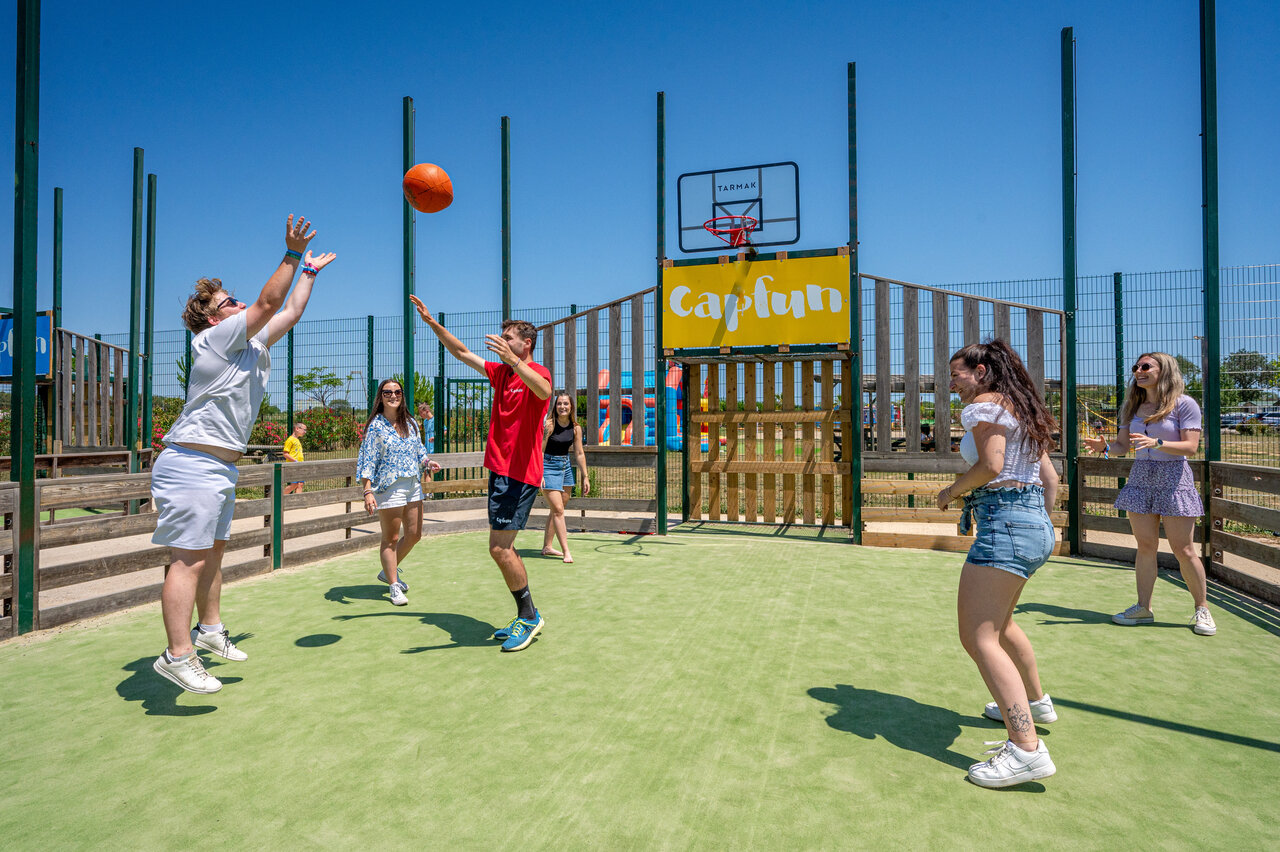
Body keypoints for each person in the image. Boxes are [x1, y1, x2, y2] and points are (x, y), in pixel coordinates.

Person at [150, 215, 335, 694]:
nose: (239, 305)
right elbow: (270, 300)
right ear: (214, 319)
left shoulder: (249, 345)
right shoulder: (211, 340)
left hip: (218, 466)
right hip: (191, 463)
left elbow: (288, 312)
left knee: (212, 553)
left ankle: (208, 629)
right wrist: (291, 254)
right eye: (228, 302)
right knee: (187, 560)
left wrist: (308, 273)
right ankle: (177, 655)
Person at [936, 339, 1060, 788]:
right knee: (1003, 625)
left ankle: (1026, 750)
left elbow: (991, 465)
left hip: (1005, 523)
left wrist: (951, 492)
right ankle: (1036, 701)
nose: (951, 383)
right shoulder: (1020, 410)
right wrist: (1037, 527)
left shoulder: (982, 408)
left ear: (982, 371)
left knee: (979, 637)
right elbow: (1050, 479)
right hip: (1032, 525)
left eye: (957, 374)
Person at [409, 294, 551, 652]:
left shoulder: (535, 372)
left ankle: (530, 617)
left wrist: (515, 364)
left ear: (526, 343)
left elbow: (545, 390)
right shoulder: (501, 371)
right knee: (501, 548)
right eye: (501, 338)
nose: (502, 342)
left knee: (500, 549)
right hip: (500, 472)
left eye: (509, 338)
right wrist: (431, 323)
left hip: (520, 473)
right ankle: (525, 615)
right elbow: (461, 352)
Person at [1082, 352, 1214, 636]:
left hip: (1174, 478)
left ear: (1164, 370)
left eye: (1145, 366)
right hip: (1141, 477)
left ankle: (1202, 609)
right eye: (1136, 367)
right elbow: (1122, 446)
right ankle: (1144, 608)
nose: (1138, 371)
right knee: (1145, 547)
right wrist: (1104, 448)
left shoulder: (1184, 404)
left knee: (1184, 549)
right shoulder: (1132, 407)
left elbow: (1191, 448)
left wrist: (1157, 441)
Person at [356, 378, 442, 606]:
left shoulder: (411, 423)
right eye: (387, 392)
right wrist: (367, 491)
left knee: (414, 535)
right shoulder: (376, 425)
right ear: (380, 397)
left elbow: (419, 450)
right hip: (388, 487)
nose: (393, 395)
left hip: (413, 484)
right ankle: (394, 585)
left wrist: (428, 462)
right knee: (391, 538)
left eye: (397, 392)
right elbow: (368, 459)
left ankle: (387, 572)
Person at [540, 390, 590, 563]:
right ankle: (566, 551)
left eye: (566, 403)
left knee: (557, 510)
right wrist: (539, 472)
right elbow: (539, 450)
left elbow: (579, 453)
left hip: (565, 467)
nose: (562, 406)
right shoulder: (549, 425)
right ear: (555, 406)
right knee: (559, 511)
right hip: (547, 466)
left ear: (571, 407)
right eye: (559, 403)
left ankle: (547, 546)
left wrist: (585, 476)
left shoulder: (576, 428)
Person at [282, 422, 307, 495]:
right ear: (297, 429)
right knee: (294, 484)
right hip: (293, 466)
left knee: (300, 484)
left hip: (299, 465)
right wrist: (295, 461)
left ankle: (297, 503)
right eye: (304, 430)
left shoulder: (297, 440)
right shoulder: (290, 440)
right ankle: (278, 499)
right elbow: (285, 454)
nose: (305, 432)